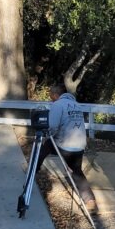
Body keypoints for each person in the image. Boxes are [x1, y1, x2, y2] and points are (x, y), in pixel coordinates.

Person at [36, 83, 97, 211]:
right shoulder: (76, 105)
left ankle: (34, 170)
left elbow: (52, 126)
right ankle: (90, 200)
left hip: (65, 145)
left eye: (50, 96)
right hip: (79, 144)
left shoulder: (57, 105)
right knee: (76, 171)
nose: (50, 98)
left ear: (55, 95)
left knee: (44, 146)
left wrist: (48, 134)